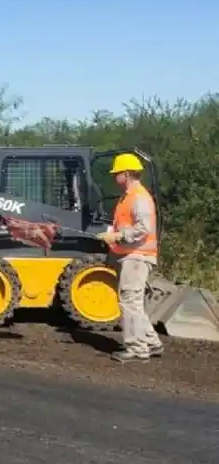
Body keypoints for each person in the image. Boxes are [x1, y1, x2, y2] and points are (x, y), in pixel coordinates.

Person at [96, 153, 164, 363]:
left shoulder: (139, 197)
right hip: (132, 254)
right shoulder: (129, 197)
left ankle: (137, 349)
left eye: (116, 173)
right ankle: (152, 343)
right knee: (133, 302)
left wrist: (116, 236)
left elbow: (144, 228)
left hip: (137, 255)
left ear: (125, 174)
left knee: (129, 302)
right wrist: (111, 234)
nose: (114, 176)